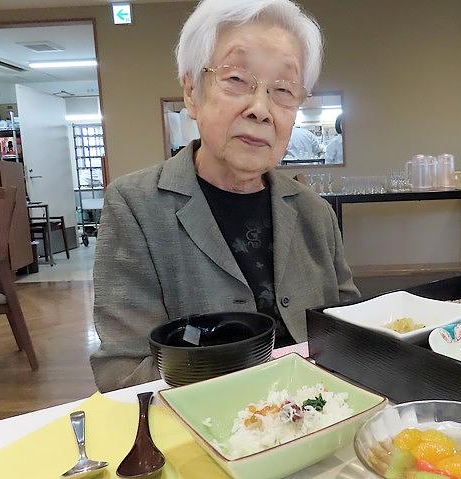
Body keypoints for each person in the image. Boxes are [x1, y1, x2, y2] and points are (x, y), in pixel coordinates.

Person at [90, 0, 360, 392]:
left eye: (283, 90)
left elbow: (350, 330)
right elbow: (122, 374)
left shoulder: (314, 212)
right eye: (235, 79)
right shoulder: (135, 207)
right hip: (200, 432)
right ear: (191, 91)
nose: (261, 110)